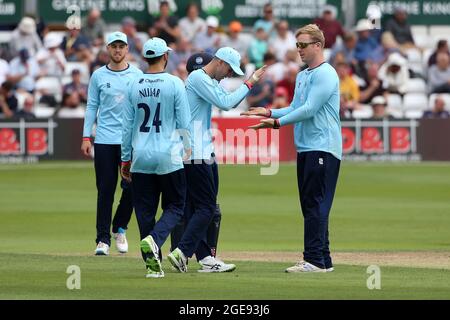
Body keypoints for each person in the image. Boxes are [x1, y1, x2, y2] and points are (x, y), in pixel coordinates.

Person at [241, 24, 341, 273]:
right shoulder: (304, 75)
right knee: (311, 204)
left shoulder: (326, 74)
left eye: (303, 45)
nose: (299, 50)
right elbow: (297, 106)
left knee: (316, 204)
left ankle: (314, 259)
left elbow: (309, 110)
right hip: (307, 147)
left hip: (323, 147)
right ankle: (323, 259)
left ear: (318, 46)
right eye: (297, 45)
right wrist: (270, 111)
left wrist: (276, 123)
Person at [167, 47, 267, 273]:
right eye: (229, 69)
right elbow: (227, 103)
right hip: (195, 152)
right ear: (220, 62)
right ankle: (181, 252)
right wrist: (250, 82)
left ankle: (204, 258)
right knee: (206, 207)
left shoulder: (205, 80)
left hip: (201, 150)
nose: (229, 74)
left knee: (198, 207)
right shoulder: (198, 78)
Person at [120, 37, 191, 278]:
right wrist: (188, 147)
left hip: (140, 155)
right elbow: (184, 121)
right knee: (176, 205)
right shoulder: (174, 83)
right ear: (165, 57)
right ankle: (155, 240)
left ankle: (153, 265)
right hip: (168, 154)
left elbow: (127, 125)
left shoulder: (133, 83)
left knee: (145, 211)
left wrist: (125, 158)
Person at [81, 32, 142, 256]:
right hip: (105, 140)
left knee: (133, 188)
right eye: (114, 46)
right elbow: (91, 107)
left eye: (121, 46)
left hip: (129, 141)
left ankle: (120, 227)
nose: (118, 50)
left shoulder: (137, 75)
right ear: (108, 48)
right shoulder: (98, 75)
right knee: (105, 191)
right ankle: (102, 240)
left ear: (127, 49)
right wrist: (86, 136)